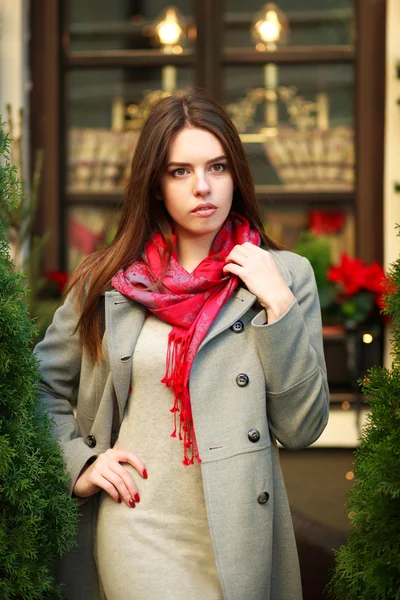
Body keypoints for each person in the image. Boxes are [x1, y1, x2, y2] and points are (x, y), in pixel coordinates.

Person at [35, 92, 329, 600]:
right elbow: (38, 387)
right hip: (139, 527)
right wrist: (78, 462)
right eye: (179, 171)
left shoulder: (285, 277)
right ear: (155, 185)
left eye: (216, 166)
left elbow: (302, 428)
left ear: (236, 173)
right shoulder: (108, 282)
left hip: (243, 533)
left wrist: (277, 306)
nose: (202, 187)